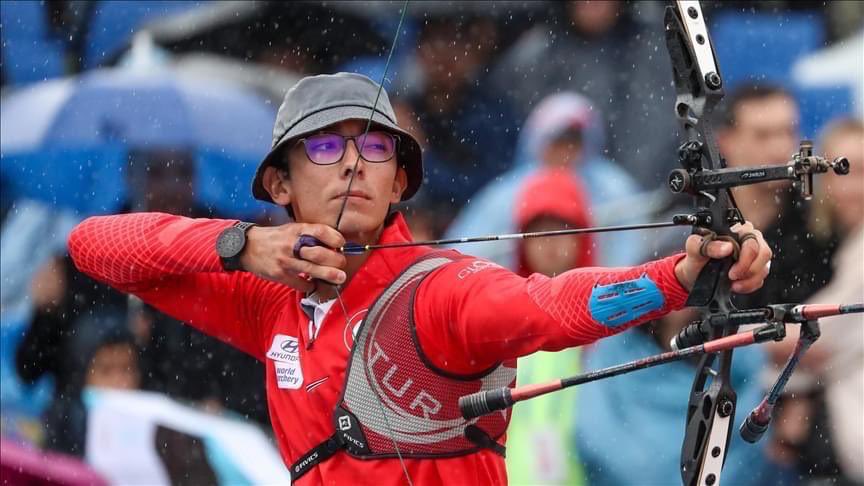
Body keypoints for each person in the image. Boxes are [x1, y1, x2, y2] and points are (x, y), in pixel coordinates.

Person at [67, 72, 773, 484]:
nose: (352, 164)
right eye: (323, 146)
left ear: (399, 179)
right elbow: (93, 246)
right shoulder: (266, 297)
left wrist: (679, 274)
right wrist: (239, 245)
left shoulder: (443, 290)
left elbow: (546, 306)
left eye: (374, 147)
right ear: (279, 183)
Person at [765, 118, 864, 483]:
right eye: (842, 171)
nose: (852, 188)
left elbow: (817, 338)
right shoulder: (828, 248)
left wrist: (738, 337)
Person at [445, 92, 643, 268]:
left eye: (574, 142)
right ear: (537, 141)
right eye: (558, 142)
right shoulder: (505, 195)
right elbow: (464, 257)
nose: (566, 151)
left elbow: (636, 250)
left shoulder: (613, 187)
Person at [505, 168, 593, 485]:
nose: (551, 244)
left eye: (563, 230)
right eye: (539, 232)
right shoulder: (504, 322)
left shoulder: (608, 318)